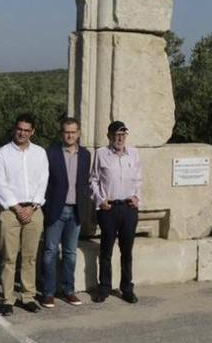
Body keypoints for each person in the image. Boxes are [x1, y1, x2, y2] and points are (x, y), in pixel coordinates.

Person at [0, 113, 49, 316]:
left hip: (34, 210)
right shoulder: (2, 154)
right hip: (10, 211)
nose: (22, 133)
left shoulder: (40, 153)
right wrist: (17, 208)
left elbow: (43, 180)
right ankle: (7, 299)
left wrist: (32, 207)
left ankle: (28, 296)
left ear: (32, 131)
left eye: (27, 130)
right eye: (19, 129)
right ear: (14, 129)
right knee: (8, 257)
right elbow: (0, 184)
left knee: (30, 257)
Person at [40, 117, 91, 308]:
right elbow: (44, 182)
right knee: (50, 252)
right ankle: (48, 292)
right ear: (62, 133)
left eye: (73, 132)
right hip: (55, 210)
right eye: (66, 132)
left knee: (70, 253)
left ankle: (68, 290)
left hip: (75, 210)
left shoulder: (85, 155)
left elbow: (84, 182)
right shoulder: (51, 153)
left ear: (78, 133)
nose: (69, 135)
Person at [91, 121, 143, 303]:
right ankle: (104, 287)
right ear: (109, 136)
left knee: (127, 250)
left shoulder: (133, 154)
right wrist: (100, 200)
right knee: (106, 250)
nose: (119, 138)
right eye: (116, 134)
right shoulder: (101, 154)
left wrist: (137, 197)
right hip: (109, 209)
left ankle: (127, 288)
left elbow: (138, 179)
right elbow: (94, 180)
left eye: (123, 134)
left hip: (128, 208)